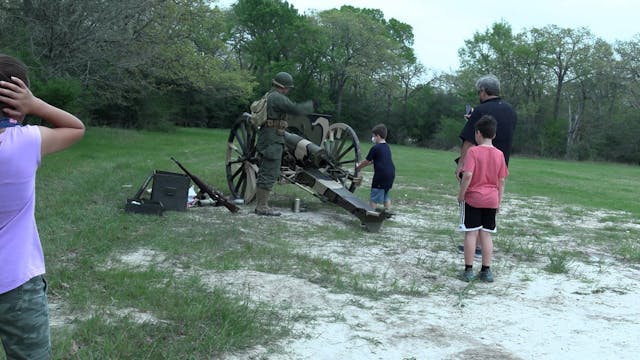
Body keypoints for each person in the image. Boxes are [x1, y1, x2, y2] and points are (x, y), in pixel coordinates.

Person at [0, 54, 85, 359]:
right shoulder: (24, 143)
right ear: (16, 106)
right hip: (17, 284)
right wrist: (35, 105)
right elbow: (76, 128)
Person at [455, 74, 517, 257]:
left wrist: (462, 164)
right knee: (489, 204)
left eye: (479, 91)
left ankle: (473, 245)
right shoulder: (510, 111)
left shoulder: (480, 110)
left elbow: (468, 140)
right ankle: (483, 246)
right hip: (499, 163)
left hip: (477, 164)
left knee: (473, 202)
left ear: (483, 91)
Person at [254, 71, 313, 216]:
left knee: (266, 171)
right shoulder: (278, 98)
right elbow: (296, 109)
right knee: (269, 172)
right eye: (288, 88)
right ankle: (262, 206)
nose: (288, 91)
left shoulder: (269, 95)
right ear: (284, 87)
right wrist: (311, 105)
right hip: (272, 140)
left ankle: (261, 204)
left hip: (268, 137)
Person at [457, 115, 508, 282]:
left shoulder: (473, 151)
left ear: (477, 133)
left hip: (473, 198)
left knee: (471, 234)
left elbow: (468, 174)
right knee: (486, 235)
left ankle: (468, 270)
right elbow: (501, 180)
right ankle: (486, 270)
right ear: (494, 135)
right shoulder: (500, 154)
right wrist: (499, 201)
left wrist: (461, 194)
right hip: (492, 199)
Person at [356, 124, 395, 212]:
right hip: (391, 174)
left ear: (377, 136)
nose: (373, 138)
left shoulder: (375, 148)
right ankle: (387, 212)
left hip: (381, 175)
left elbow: (366, 161)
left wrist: (358, 167)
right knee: (386, 195)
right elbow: (378, 160)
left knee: (374, 197)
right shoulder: (387, 147)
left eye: (373, 136)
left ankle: (371, 214)